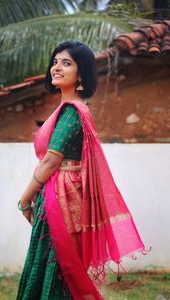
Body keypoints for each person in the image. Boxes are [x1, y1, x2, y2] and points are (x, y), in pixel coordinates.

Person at [16, 41, 145, 300]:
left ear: (81, 74)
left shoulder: (72, 112)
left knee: (58, 266)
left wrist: (24, 199)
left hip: (61, 199)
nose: (56, 68)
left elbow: (51, 161)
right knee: (55, 264)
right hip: (62, 194)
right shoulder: (72, 111)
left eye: (66, 63)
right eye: (55, 62)